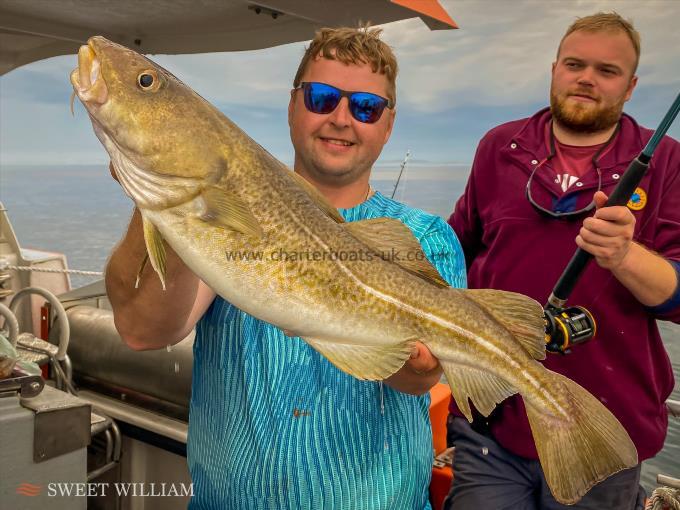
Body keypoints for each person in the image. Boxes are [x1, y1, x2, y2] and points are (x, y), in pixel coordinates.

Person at [105, 26, 467, 509]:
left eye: (365, 107)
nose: (341, 119)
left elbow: (423, 376)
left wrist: (402, 352)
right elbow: (142, 330)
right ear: (293, 105)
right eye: (321, 98)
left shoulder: (425, 238)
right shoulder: (228, 212)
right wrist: (165, 192)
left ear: (387, 124)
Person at [444, 12, 680, 510]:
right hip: (494, 419)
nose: (586, 79)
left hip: (604, 430)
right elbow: (453, 251)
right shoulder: (498, 147)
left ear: (632, 86)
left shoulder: (668, 163)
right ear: (554, 69)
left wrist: (624, 256)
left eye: (606, 71)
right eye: (575, 64)